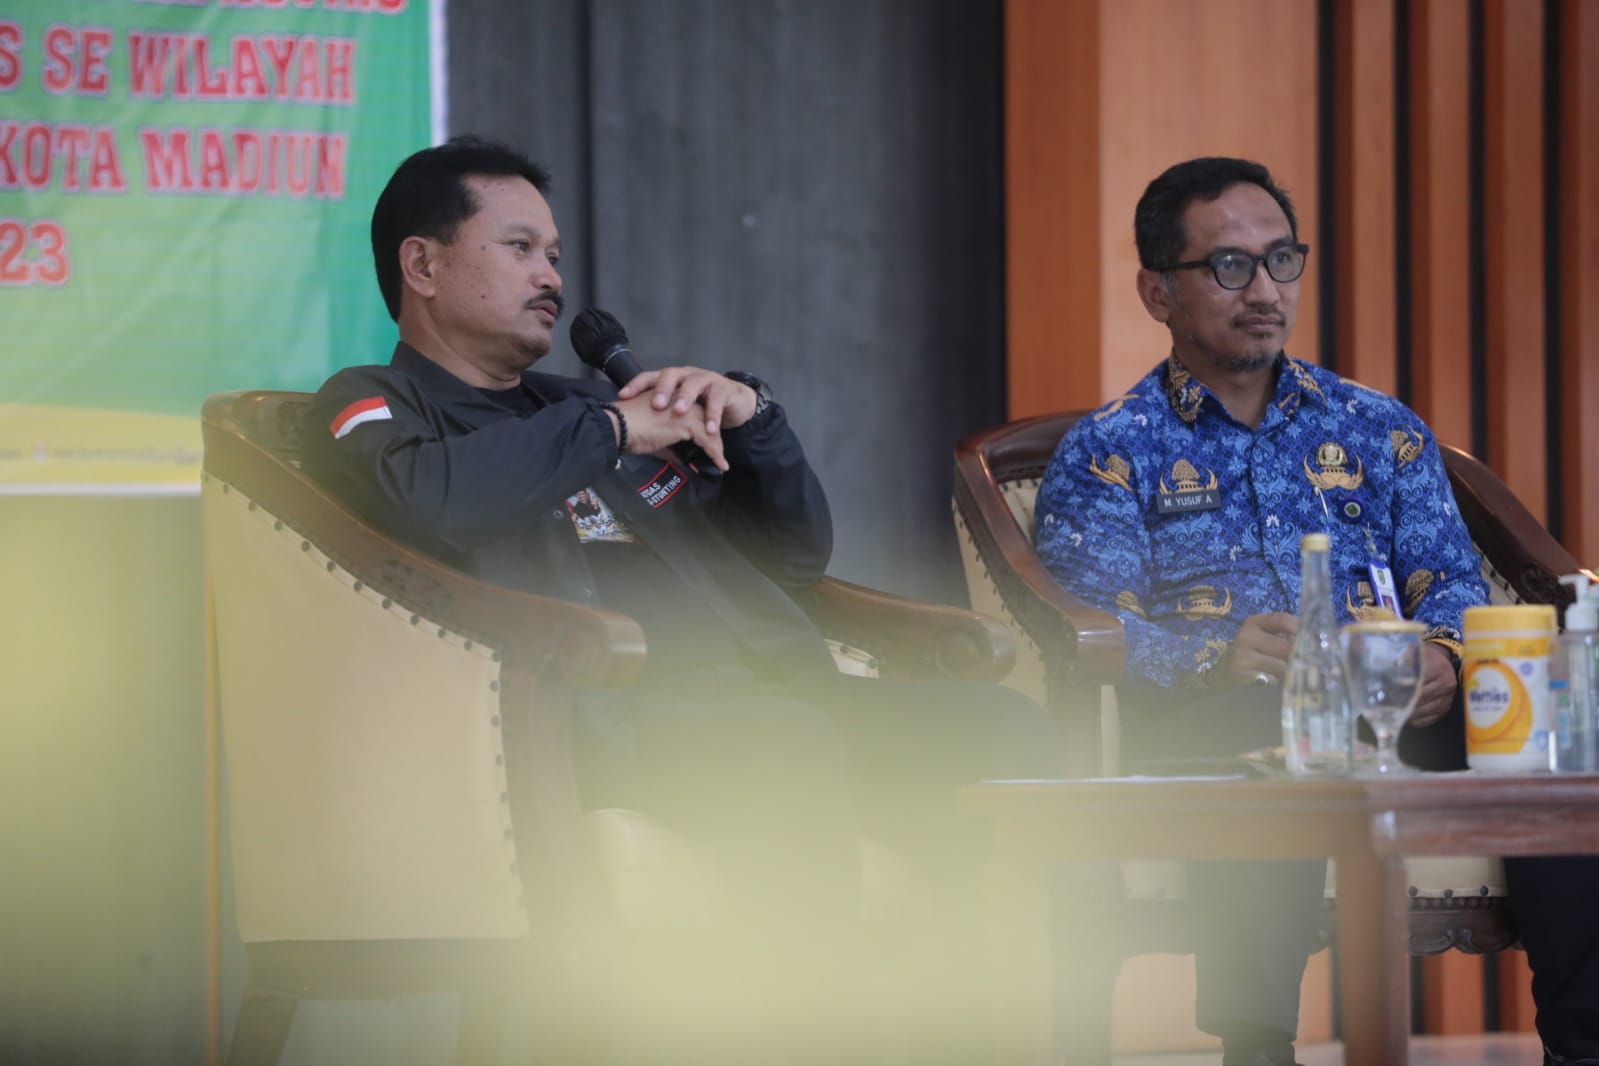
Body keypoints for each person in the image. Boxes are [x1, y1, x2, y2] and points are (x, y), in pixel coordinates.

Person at [302, 135, 1057, 1064]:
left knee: (997, 730)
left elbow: (789, 558)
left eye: (555, 256)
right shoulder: (374, 405)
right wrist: (610, 427)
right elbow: (431, 499)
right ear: (422, 265)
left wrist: (756, 422)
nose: (551, 277)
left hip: (770, 697)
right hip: (584, 726)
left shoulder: (582, 409)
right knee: (782, 747)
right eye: (520, 248)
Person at [1032, 156, 1599, 1066]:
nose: (1263, 290)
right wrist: (1216, 656)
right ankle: (1257, 1050)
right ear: (1157, 292)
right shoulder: (1112, 450)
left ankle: (1584, 1046)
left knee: (1544, 735)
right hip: (1223, 716)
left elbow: (1451, 581)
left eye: (1280, 260)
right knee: (1272, 741)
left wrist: (1444, 658)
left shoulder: (1377, 428)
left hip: (1394, 706)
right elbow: (1087, 631)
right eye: (1228, 266)